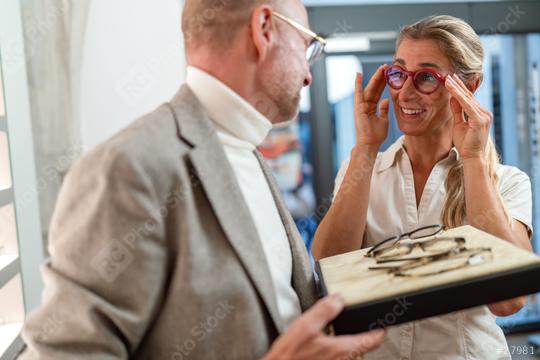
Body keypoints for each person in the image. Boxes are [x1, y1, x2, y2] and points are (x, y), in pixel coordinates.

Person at [19, 0, 386, 359]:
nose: (308, 74)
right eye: (308, 46)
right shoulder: (125, 168)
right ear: (263, 30)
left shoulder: (249, 151)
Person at [312, 15, 533, 360]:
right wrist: (366, 147)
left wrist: (473, 158)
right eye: (398, 74)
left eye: (426, 77)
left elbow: (508, 301)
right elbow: (328, 271)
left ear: (470, 86)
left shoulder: (507, 182)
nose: (405, 92)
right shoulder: (363, 169)